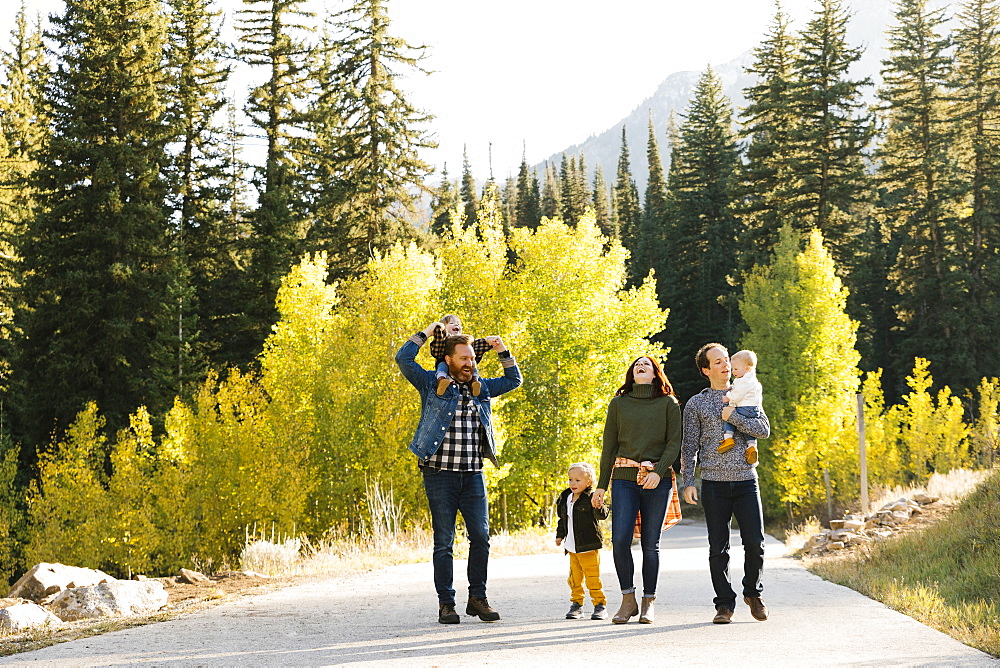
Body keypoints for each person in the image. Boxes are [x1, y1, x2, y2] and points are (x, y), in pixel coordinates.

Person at [395, 322, 522, 624]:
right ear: (449, 359)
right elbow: (403, 359)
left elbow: (514, 379)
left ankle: (478, 598)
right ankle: (446, 604)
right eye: (464, 358)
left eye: (473, 358)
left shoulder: (482, 387)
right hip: (440, 474)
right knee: (444, 541)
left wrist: (502, 350)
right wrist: (425, 332)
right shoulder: (430, 382)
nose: (470, 363)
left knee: (481, 537)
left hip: (473, 474)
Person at [681, 343, 771, 625]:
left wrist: (732, 416)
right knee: (718, 548)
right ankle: (724, 605)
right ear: (706, 370)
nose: (725, 366)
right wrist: (688, 481)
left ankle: (753, 594)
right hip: (714, 484)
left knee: (755, 543)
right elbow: (689, 445)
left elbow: (763, 430)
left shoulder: (748, 391)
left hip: (746, 481)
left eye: (726, 361)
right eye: (717, 362)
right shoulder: (697, 403)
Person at [592, 356, 681, 625]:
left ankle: (648, 602)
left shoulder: (669, 403)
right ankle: (627, 599)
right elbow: (609, 447)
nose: (640, 366)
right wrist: (600, 486)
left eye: (647, 364)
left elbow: (674, 442)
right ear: (632, 373)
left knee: (650, 544)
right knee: (619, 540)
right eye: (636, 364)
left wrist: (658, 471)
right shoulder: (619, 404)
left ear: (655, 373)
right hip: (624, 478)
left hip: (658, 479)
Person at [555, 462, 609, 621]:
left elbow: (602, 515)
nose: (573, 483)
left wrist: (599, 505)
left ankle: (600, 605)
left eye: (578, 480)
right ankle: (577, 604)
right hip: (572, 547)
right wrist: (560, 535)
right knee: (574, 579)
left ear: (589, 482)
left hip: (588, 546)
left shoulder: (591, 497)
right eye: (571, 479)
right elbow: (562, 519)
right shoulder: (566, 496)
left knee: (593, 578)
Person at [718, 349, 764, 465]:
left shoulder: (743, 381)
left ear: (748, 369)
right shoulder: (754, 381)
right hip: (754, 409)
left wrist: (728, 397)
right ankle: (752, 446)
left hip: (744, 407)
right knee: (749, 430)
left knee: (728, 418)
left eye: (736, 369)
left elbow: (738, 395)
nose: (733, 371)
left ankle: (728, 438)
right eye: (732, 368)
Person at [430, 314, 494, 397]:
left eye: (458, 324)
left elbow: (477, 345)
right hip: (445, 362)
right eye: (452, 323)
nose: (456, 325)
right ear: (444, 328)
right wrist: (437, 329)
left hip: (462, 366)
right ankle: (442, 380)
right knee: (442, 365)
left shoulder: (464, 341)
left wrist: (489, 342)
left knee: (472, 364)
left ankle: (474, 382)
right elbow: (438, 344)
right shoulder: (444, 339)